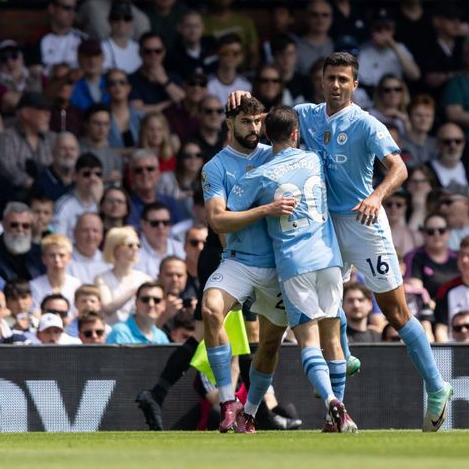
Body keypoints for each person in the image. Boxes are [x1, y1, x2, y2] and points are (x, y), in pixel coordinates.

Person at [231, 52, 452, 432]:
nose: (335, 85)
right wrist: (242, 96)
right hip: (324, 226)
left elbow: (399, 168)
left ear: (355, 84)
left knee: (395, 311)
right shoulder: (307, 114)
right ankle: (337, 413)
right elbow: (269, 123)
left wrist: (377, 196)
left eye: (343, 79)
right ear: (321, 80)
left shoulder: (367, 124)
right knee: (330, 310)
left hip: (364, 223)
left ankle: (435, 387)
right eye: (330, 77)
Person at [135, 97, 287, 432]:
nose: (255, 129)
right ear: (229, 123)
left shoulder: (273, 154)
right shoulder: (216, 166)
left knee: (218, 333)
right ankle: (252, 409)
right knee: (233, 328)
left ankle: (159, 392)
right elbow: (219, 224)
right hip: (222, 254)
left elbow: (296, 122)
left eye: (258, 121)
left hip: (256, 255)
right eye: (246, 122)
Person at [226, 105, 358, 432]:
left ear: (268, 137)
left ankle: (332, 402)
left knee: (307, 342)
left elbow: (229, 213)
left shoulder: (260, 174)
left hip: (292, 266)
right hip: (329, 259)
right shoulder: (315, 159)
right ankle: (333, 414)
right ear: (296, 134)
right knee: (332, 341)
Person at [0, 92, 57, 197]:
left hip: (50, 196)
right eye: (42, 110)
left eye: (48, 111)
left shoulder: (53, 138)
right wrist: (38, 186)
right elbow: (9, 170)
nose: (48, 114)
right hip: (18, 196)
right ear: (25, 113)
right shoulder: (7, 138)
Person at [95, 226, 152, 326]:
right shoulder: (101, 279)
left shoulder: (145, 279)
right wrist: (134, 290)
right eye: (130, 245)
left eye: (138, 245)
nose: (135, 249)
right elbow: (108, 308)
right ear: (115, 249)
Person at [357, 9, 420, 89]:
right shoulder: (363, 50)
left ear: (393, 31)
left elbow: (415, 76)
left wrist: (394, 46)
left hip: (395, 92)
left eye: (387, 28)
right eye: (378, 28)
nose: (383, 32)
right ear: (372, 30)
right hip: (371, 93)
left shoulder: (400, 48)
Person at [126, 148, 189, 228]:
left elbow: (181, 231)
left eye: (150, 169)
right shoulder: (127, 206)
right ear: (131, 176)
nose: (145, 173)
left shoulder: (172, 203)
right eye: (138, 170)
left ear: (158, 174)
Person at [404, 213, 459, 298]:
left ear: (449, 233)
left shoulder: (459, 257)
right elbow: (414, 289)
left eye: (441, 230)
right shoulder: (414, 256)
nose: (436, 234)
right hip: (426, 308)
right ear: (423, 234)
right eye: (430, 231)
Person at [129, 33, 185, 114]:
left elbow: (185, 102)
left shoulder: (174, 78)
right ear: (140, 53)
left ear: (164, 53)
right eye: (148, 51)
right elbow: (138, 111)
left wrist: (164, 80)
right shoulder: (131, 80)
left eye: (158, 51)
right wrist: (170, 104)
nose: (153, 55)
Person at [0, 202, 44, 282]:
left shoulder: (40, 254)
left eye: (25, 226)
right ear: (4, 224)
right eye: (14, 225)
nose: (20, 229)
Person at [52, 153, 103, 240]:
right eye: (87, 174)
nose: (93, 178)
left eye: (98, 174)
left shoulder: (103, 203)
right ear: (75, 175)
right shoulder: (64, 205)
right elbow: (57, 239)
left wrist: (99, 202)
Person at [29, 234, 82, 315]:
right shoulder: (34, 286)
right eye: (52, 255)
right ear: (43, 258)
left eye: (61, 255)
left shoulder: (77, 285)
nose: (57, 260)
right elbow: (35, 315)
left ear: (69, 258)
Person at [136, 203, 185, 278]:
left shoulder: (182, 249)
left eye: (165, 223)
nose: (161, 227)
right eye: (155, 223)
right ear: (143, 224)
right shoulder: (133, 251)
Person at [79, 104, 124, 184]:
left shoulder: (115, 157)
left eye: (106, 124)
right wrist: (104, 179)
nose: (102, 128)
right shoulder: (76, 150)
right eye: (97, 123)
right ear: (86, 124)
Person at [165, 10, 217, 79]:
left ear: (202, 28)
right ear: (179, 28)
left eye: (196, 26)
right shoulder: (172, 56)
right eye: (188, 26)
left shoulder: (212, 44)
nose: (193, 31)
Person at [76, 0, 150, 42]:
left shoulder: (141, 19)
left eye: (126, 19)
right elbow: (74, 28)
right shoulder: (91, 6)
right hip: (91, 58)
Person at [30, 132, 78, 203]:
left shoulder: (83, 180)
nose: (68, 153)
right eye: (63, 148)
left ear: (78, 153)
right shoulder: (42, 182)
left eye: (72, 149)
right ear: (53, 152)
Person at [207, 34, 251, 107]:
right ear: (218, 54)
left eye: (235, 53)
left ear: (241, 57)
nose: (230, 56)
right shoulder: (207, 85)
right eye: (225, 52)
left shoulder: (247, 86)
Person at [163, 73, 207, 144]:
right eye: (192, 83)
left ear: (206, 89)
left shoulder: (210, 112)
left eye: (202, 84)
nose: (197, 88)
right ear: (184, 86)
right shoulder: (170, 112)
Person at [101, 0, 142, 75]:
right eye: (116, 18)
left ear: (132, 22)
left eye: (126, 18)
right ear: (109, 21)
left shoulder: (139, 48)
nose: (121, 22)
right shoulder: (101, 47)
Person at [294, 0, 334, 76]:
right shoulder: (296, 47)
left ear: (331, 19)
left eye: (325, 15)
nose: (320, 19)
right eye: (314, 15)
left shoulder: (337, 45)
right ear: (307, 18)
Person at [68, 213, 109, 285]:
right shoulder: (63, 261)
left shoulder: (109, 262)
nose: (91, 235)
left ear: (102, 235)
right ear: (74, 233)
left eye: (95, 231)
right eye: (85, 230)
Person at [106, 69, 143, 149]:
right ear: (107, 89)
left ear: (129, 88)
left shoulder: (141, 117)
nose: (117, 86)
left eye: (122, 82)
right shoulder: (101, 117)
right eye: (112, 83)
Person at [70, 39, 109, 112]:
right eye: (87, 56)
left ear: (103, 58)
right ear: (79, 58)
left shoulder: (111, 81)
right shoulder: (70, 85)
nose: (92, 61)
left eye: (96, 55)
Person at [400, 95, 437, 166]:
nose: (423, 119)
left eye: (428, 116)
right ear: (409, 117)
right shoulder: (398, 144)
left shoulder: (437, 145)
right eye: (418, 115)